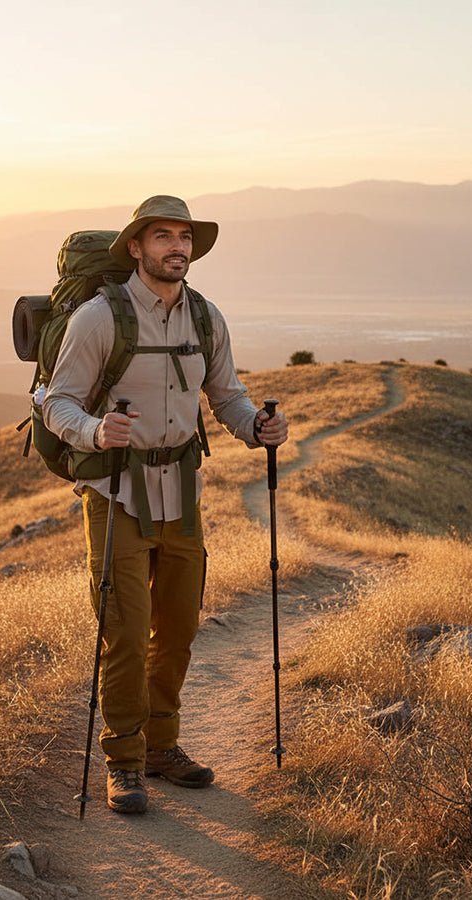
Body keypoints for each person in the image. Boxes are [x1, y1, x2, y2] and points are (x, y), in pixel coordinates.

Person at [43, 195, 289, 814]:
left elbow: (226, 395)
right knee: (124, 632)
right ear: (136, 246)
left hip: (182, 492)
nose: (177, 247)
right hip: (116, 491)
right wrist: (97, 432)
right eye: (162, 236)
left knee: (177, 626)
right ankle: (123, 762)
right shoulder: (101, 319)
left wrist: (255, 426)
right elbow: (57, 401)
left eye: (184, 237)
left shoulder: (206, 318)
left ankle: (162, 746)